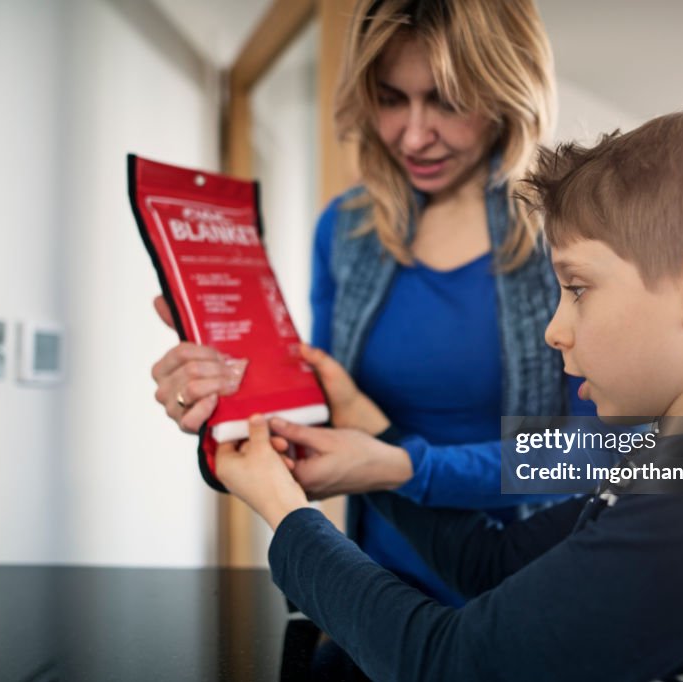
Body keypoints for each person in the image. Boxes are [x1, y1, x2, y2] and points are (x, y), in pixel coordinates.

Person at [213, 108, 683, 681]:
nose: (554, 328)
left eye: (579, 287)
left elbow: (451, 667)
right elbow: (492, 564)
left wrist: (283, 507)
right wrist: (375, 448)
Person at [150, 0, 603, 606]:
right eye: (391, 99)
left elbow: (614, 452)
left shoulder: (570, 234)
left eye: (447, 99)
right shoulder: (347, 230)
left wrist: (405, 466)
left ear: (507, 89)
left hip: (525, 595)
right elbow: (328, 408)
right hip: (376, 589)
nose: (414, 135)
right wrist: (227, 399)